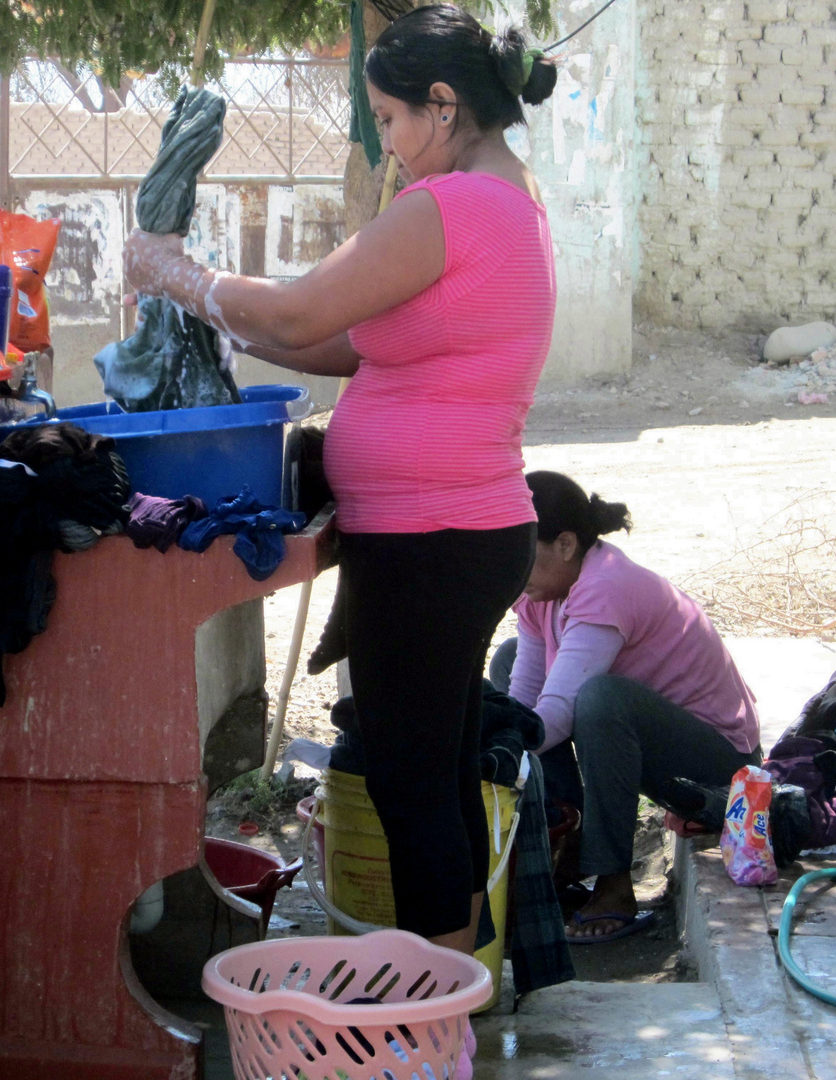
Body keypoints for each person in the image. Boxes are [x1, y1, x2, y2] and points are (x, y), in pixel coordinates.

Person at [123, 2, 557, 1042]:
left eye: (391, 120)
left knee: (411, 783)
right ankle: (454, 1004)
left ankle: (430, 1025)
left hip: (434, 538)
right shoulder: (504, 203)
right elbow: (347, 343)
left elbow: (302, 311)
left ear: (444, 107)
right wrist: (223, 315)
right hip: (458, 531)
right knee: (439, 772)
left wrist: (170, 269)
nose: (389, 145)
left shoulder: (449, 206)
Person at [493, 471, 761, 944]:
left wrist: (487, 745)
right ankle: (565, 830)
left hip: (722, 766)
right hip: (650, 741)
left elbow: (553, 715)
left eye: (522, 552)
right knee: (508, 659)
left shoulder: (607, 586)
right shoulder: (540, 591)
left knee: (599, 700)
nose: (512, 568)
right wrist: (496, 731)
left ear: (566, 545)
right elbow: (524, 696)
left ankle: (614, 882)